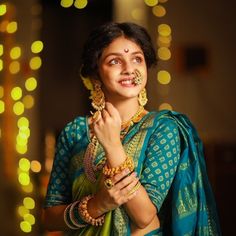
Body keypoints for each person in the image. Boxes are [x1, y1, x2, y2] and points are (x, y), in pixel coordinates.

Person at [43, 22, 221, 236]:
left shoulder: (163, 128)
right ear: (96, 73)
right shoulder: (75, 132)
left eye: (137, 59)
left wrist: (112, 145)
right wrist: (97, 205)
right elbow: (49, 218)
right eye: (115, 61)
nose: (129, 69)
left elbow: (144, 216)